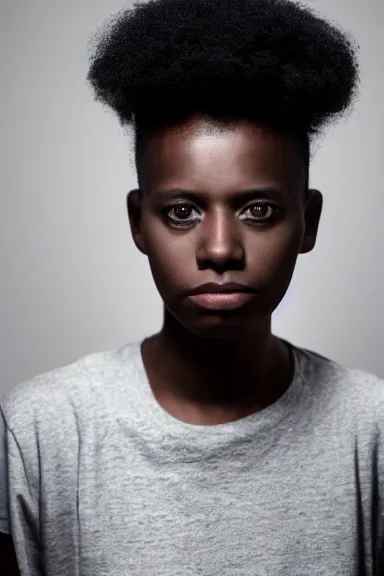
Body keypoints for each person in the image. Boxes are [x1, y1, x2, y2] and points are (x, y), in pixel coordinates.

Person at [0, 0, 383, 574]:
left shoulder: (371, 429)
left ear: (309, 222)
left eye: (258, 209)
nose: (220, 249)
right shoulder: (40, 431)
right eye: (182, 212)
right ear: (138, 223)